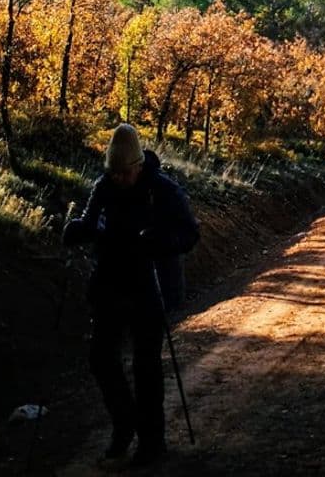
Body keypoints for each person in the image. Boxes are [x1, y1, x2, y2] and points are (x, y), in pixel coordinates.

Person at [63, 123, 199, 466]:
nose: (120, 179)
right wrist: (76, 230)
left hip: (150, 287)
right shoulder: (105, 185)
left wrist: (160, 242)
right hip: (110, 282)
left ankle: (152, 443)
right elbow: (89, 220)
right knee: (101, 358)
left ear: (138, 165)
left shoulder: (162, 190)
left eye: (125, 173)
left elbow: (189, 233)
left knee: (145, 364)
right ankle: (125, 425)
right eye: (115, 173)